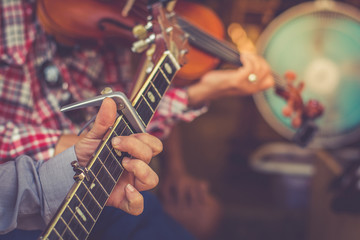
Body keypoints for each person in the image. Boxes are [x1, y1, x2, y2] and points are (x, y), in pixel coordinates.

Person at [0, 0, 274, 239]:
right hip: (20, 204)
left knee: (155, 217)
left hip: (100, 190)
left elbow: (125, 122)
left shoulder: (106, 27)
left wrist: (201, 91)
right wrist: (63, 144)